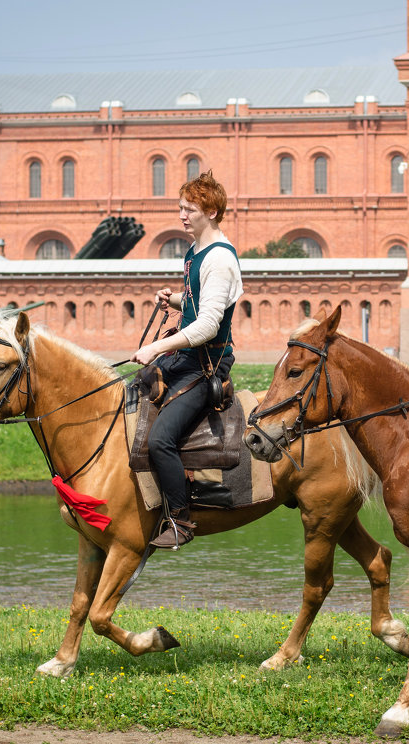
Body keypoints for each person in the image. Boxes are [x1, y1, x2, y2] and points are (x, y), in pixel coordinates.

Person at [130, 171, 243, 549]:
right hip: (187, 356)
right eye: (180, 207)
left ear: (211, 212)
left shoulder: (220, 260)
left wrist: (156, 348)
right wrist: (177, 299)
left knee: (161, 439)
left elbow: (210, 325)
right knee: (133, 389)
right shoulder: (194, 251)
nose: (182, 215)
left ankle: (179, 520)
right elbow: (200, 305)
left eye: (189, 208)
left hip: (207, 364)